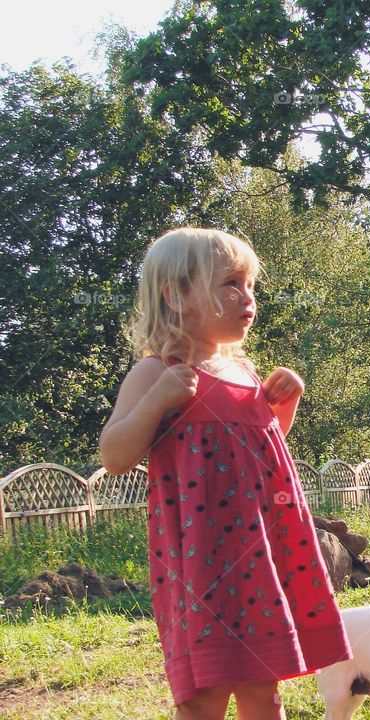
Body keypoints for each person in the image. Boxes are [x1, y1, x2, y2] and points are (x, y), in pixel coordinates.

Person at [100, 228, 350, 720]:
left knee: (262, 684)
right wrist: (157, 399)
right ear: (176, 295)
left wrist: (287, 402)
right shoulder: (157, 372)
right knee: (203, 694)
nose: (248, 297)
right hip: (201, 565)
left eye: (251, 284)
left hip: (262, 554)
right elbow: (114, 456)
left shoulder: (247, 373)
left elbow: (263, 451)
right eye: (231, 283)